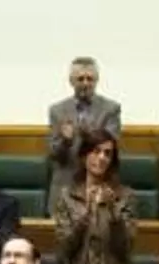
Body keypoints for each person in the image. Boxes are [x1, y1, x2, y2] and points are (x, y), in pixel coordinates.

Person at [53, 129, 140, 264]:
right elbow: (65, 248)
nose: (101, 158)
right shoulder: (66, 196)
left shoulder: (125, 196)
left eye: (107, 153)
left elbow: (125, 249)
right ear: (84, 155)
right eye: (96, 151)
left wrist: (113, 214)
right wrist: (86, 214)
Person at [47, 56, 121, 215]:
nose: (86, 83)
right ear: (71, 81)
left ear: (97, 80)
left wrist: (87, 132)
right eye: (80, 79)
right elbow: (53, 154)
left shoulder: (111, 109)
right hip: (65, 185)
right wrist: (65, 141)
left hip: (99, 185)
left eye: (90, 79)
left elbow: (112, 147)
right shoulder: (57, 110)